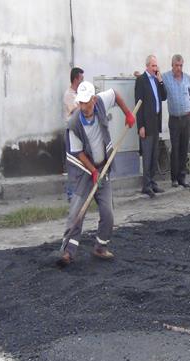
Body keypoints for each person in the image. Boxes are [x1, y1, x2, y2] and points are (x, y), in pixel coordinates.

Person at [57, 81, 135, 266]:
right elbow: (78, 153)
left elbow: (115, 94)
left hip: (103, 167)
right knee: (77, 211)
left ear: (93, 99)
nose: (83, 106)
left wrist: (128, 113)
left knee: (108, 212)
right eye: (80, 103)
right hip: (84, 170)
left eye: (86, 102)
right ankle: (68, 251)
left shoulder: (100, 102)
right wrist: (92, 171)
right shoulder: (74, 123)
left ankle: (100, 246)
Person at [135, 55, 167, 198]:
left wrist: (160, 81)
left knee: (154, 155)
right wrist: (140, 126)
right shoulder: (141, 80)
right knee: (147, 155)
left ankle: (153, 182)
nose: (155, 69)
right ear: (147, 66)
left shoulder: (156, 80)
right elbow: (138, 104)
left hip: (156, 121)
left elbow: (164, 96)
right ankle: (146, 185)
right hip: (146, 123)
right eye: (153, 66)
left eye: (156, 66)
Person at [162, 54, 190, 188]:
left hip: (186, 118)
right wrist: (139, 75)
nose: (179, 68)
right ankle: (174, 178)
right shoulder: (166, 77)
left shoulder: (187, 78)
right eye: (176, 65)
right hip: (174, 119)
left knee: (184, 148)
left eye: (181, 65)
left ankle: (183, 176)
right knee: (175, 148)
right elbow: (155, 78)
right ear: (172, 65)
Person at [62, 67, 85, 201]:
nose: (83, 81)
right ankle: (71, 193)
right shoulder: (69, 95)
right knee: (72, 162)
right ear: (76, 79)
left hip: (80, 131)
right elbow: (77, 110)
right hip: (71, 131)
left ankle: (79, 190)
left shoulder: (79, 94)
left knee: (81, 162)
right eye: (81, 79)